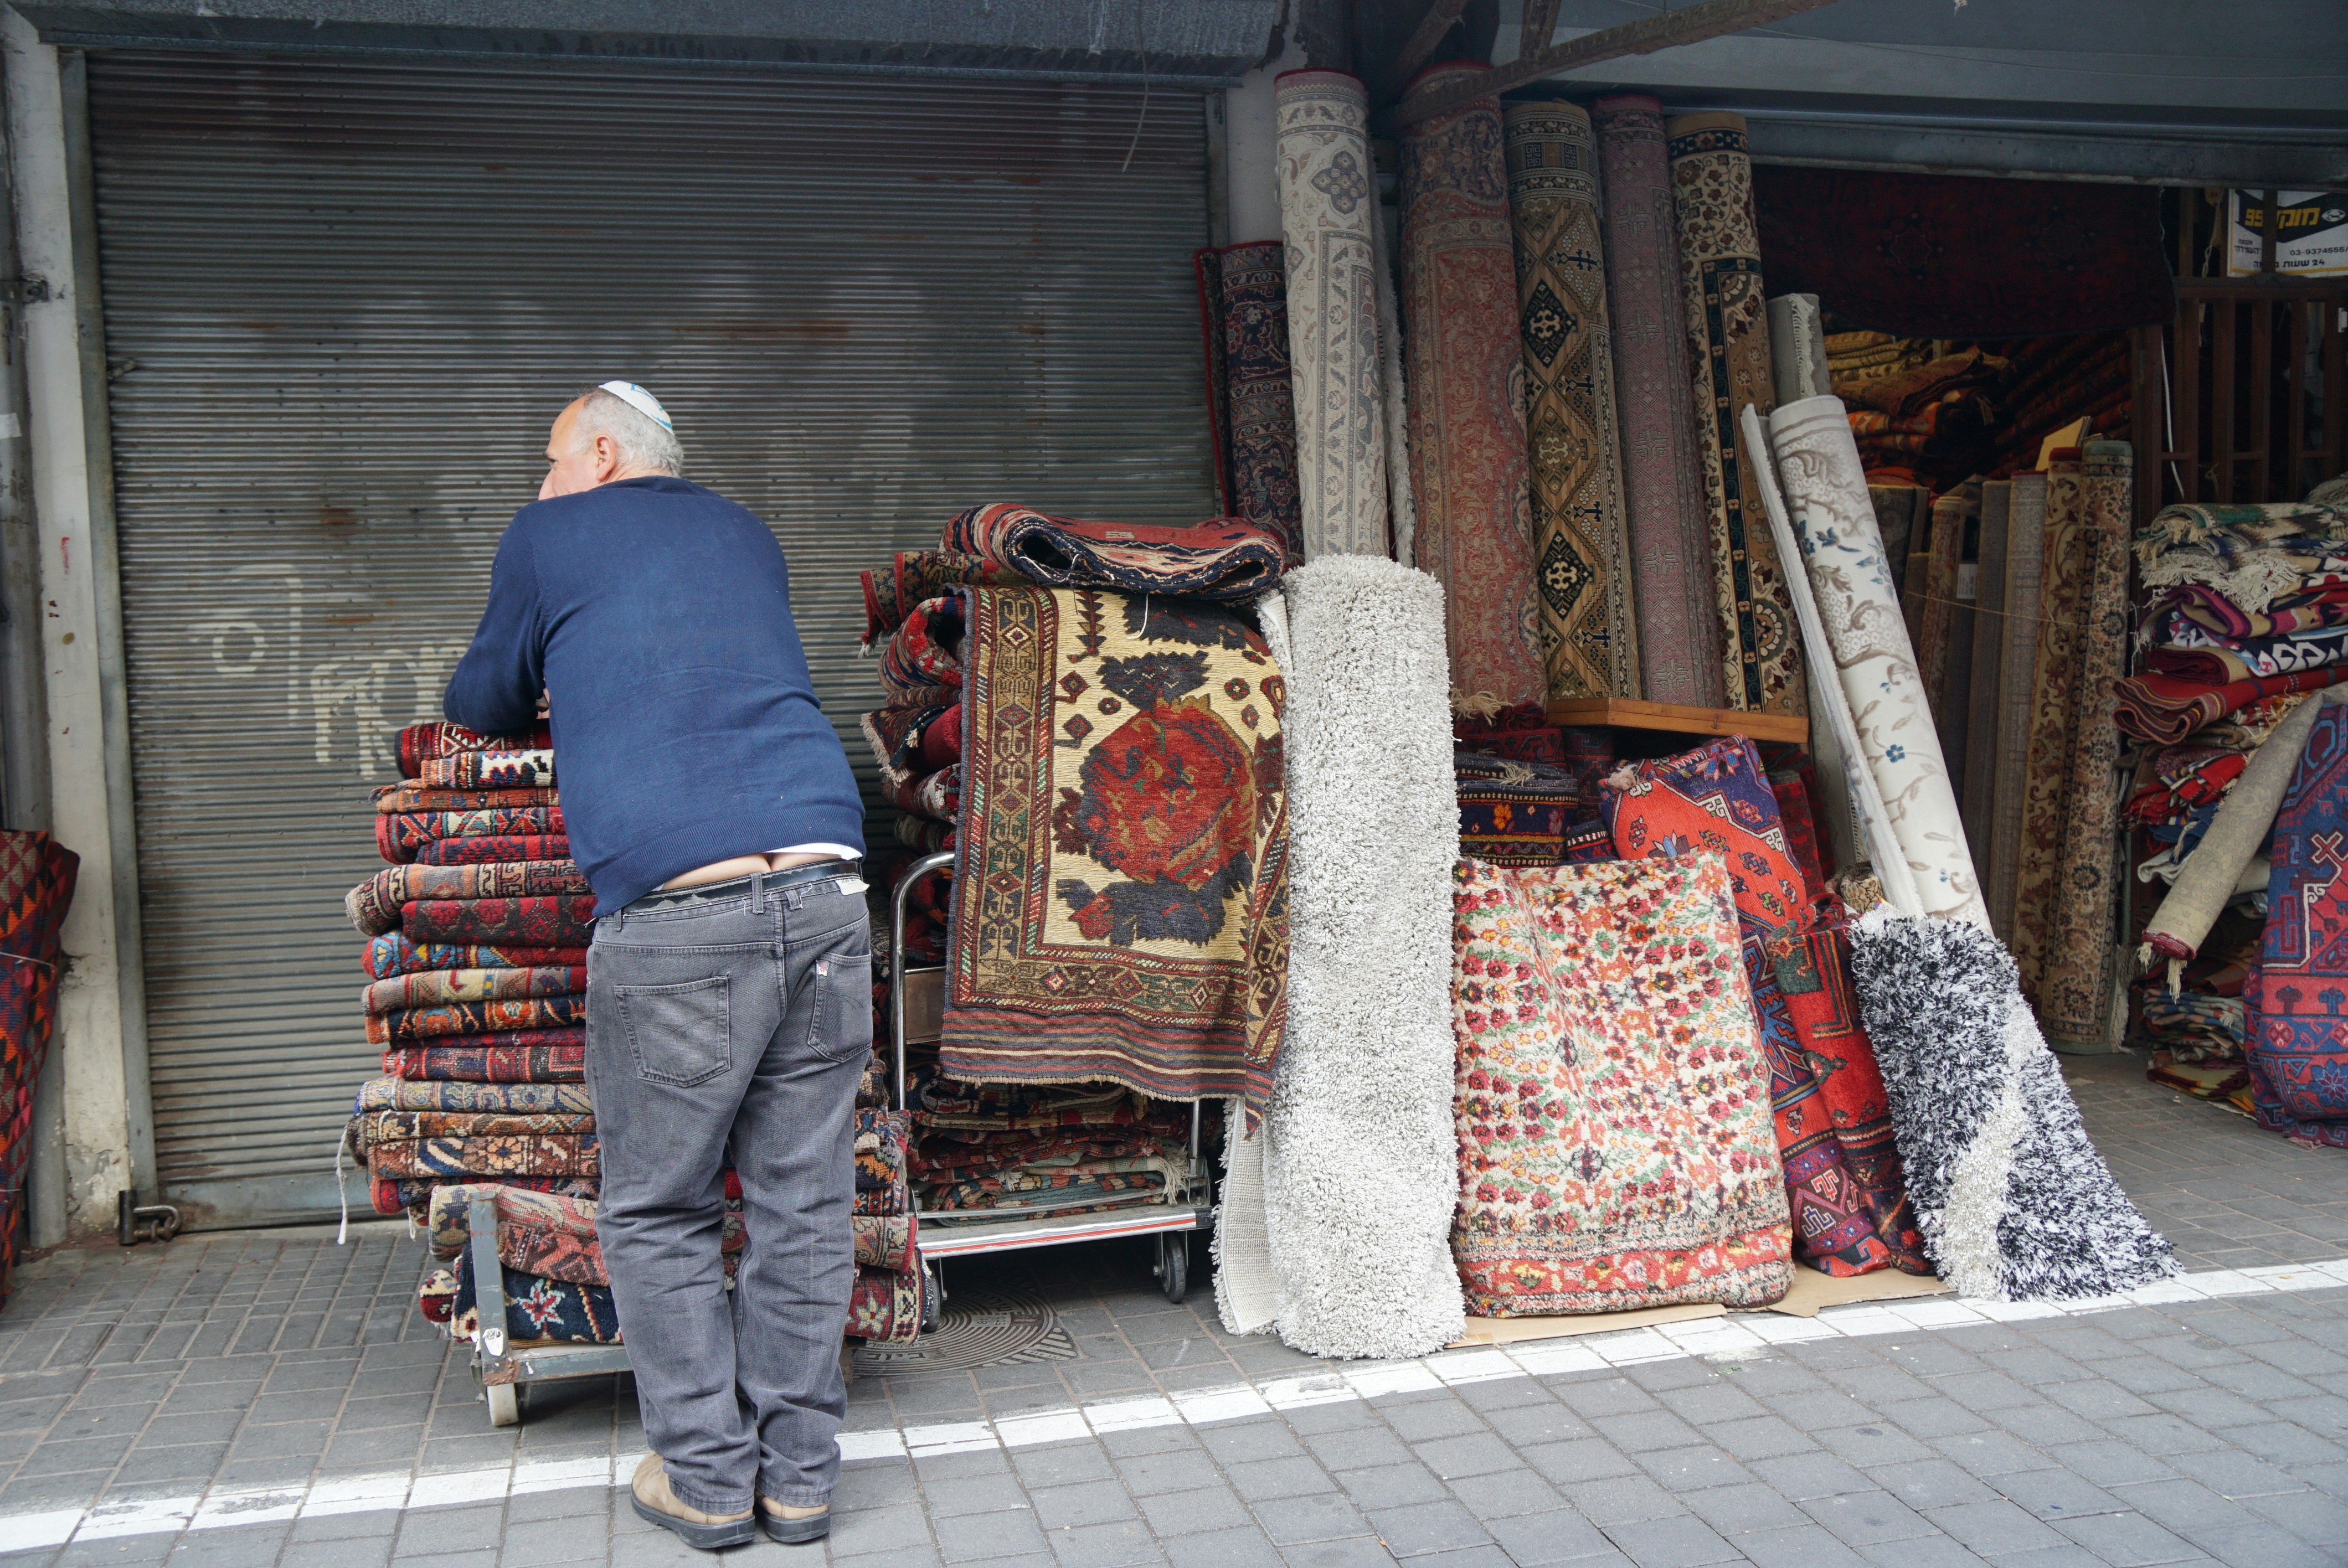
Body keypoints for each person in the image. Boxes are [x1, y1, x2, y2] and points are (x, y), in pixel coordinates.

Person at [444, 382, 869, 1550]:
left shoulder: (550, 532)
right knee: (801, 1204)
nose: (537, 485)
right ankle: (801, 1483)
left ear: (595, 451)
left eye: (546, 460)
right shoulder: (745, 531)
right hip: (831, 889)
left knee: (661, 1209)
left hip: (683, 912)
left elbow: (479, 698)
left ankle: (709, 1482)